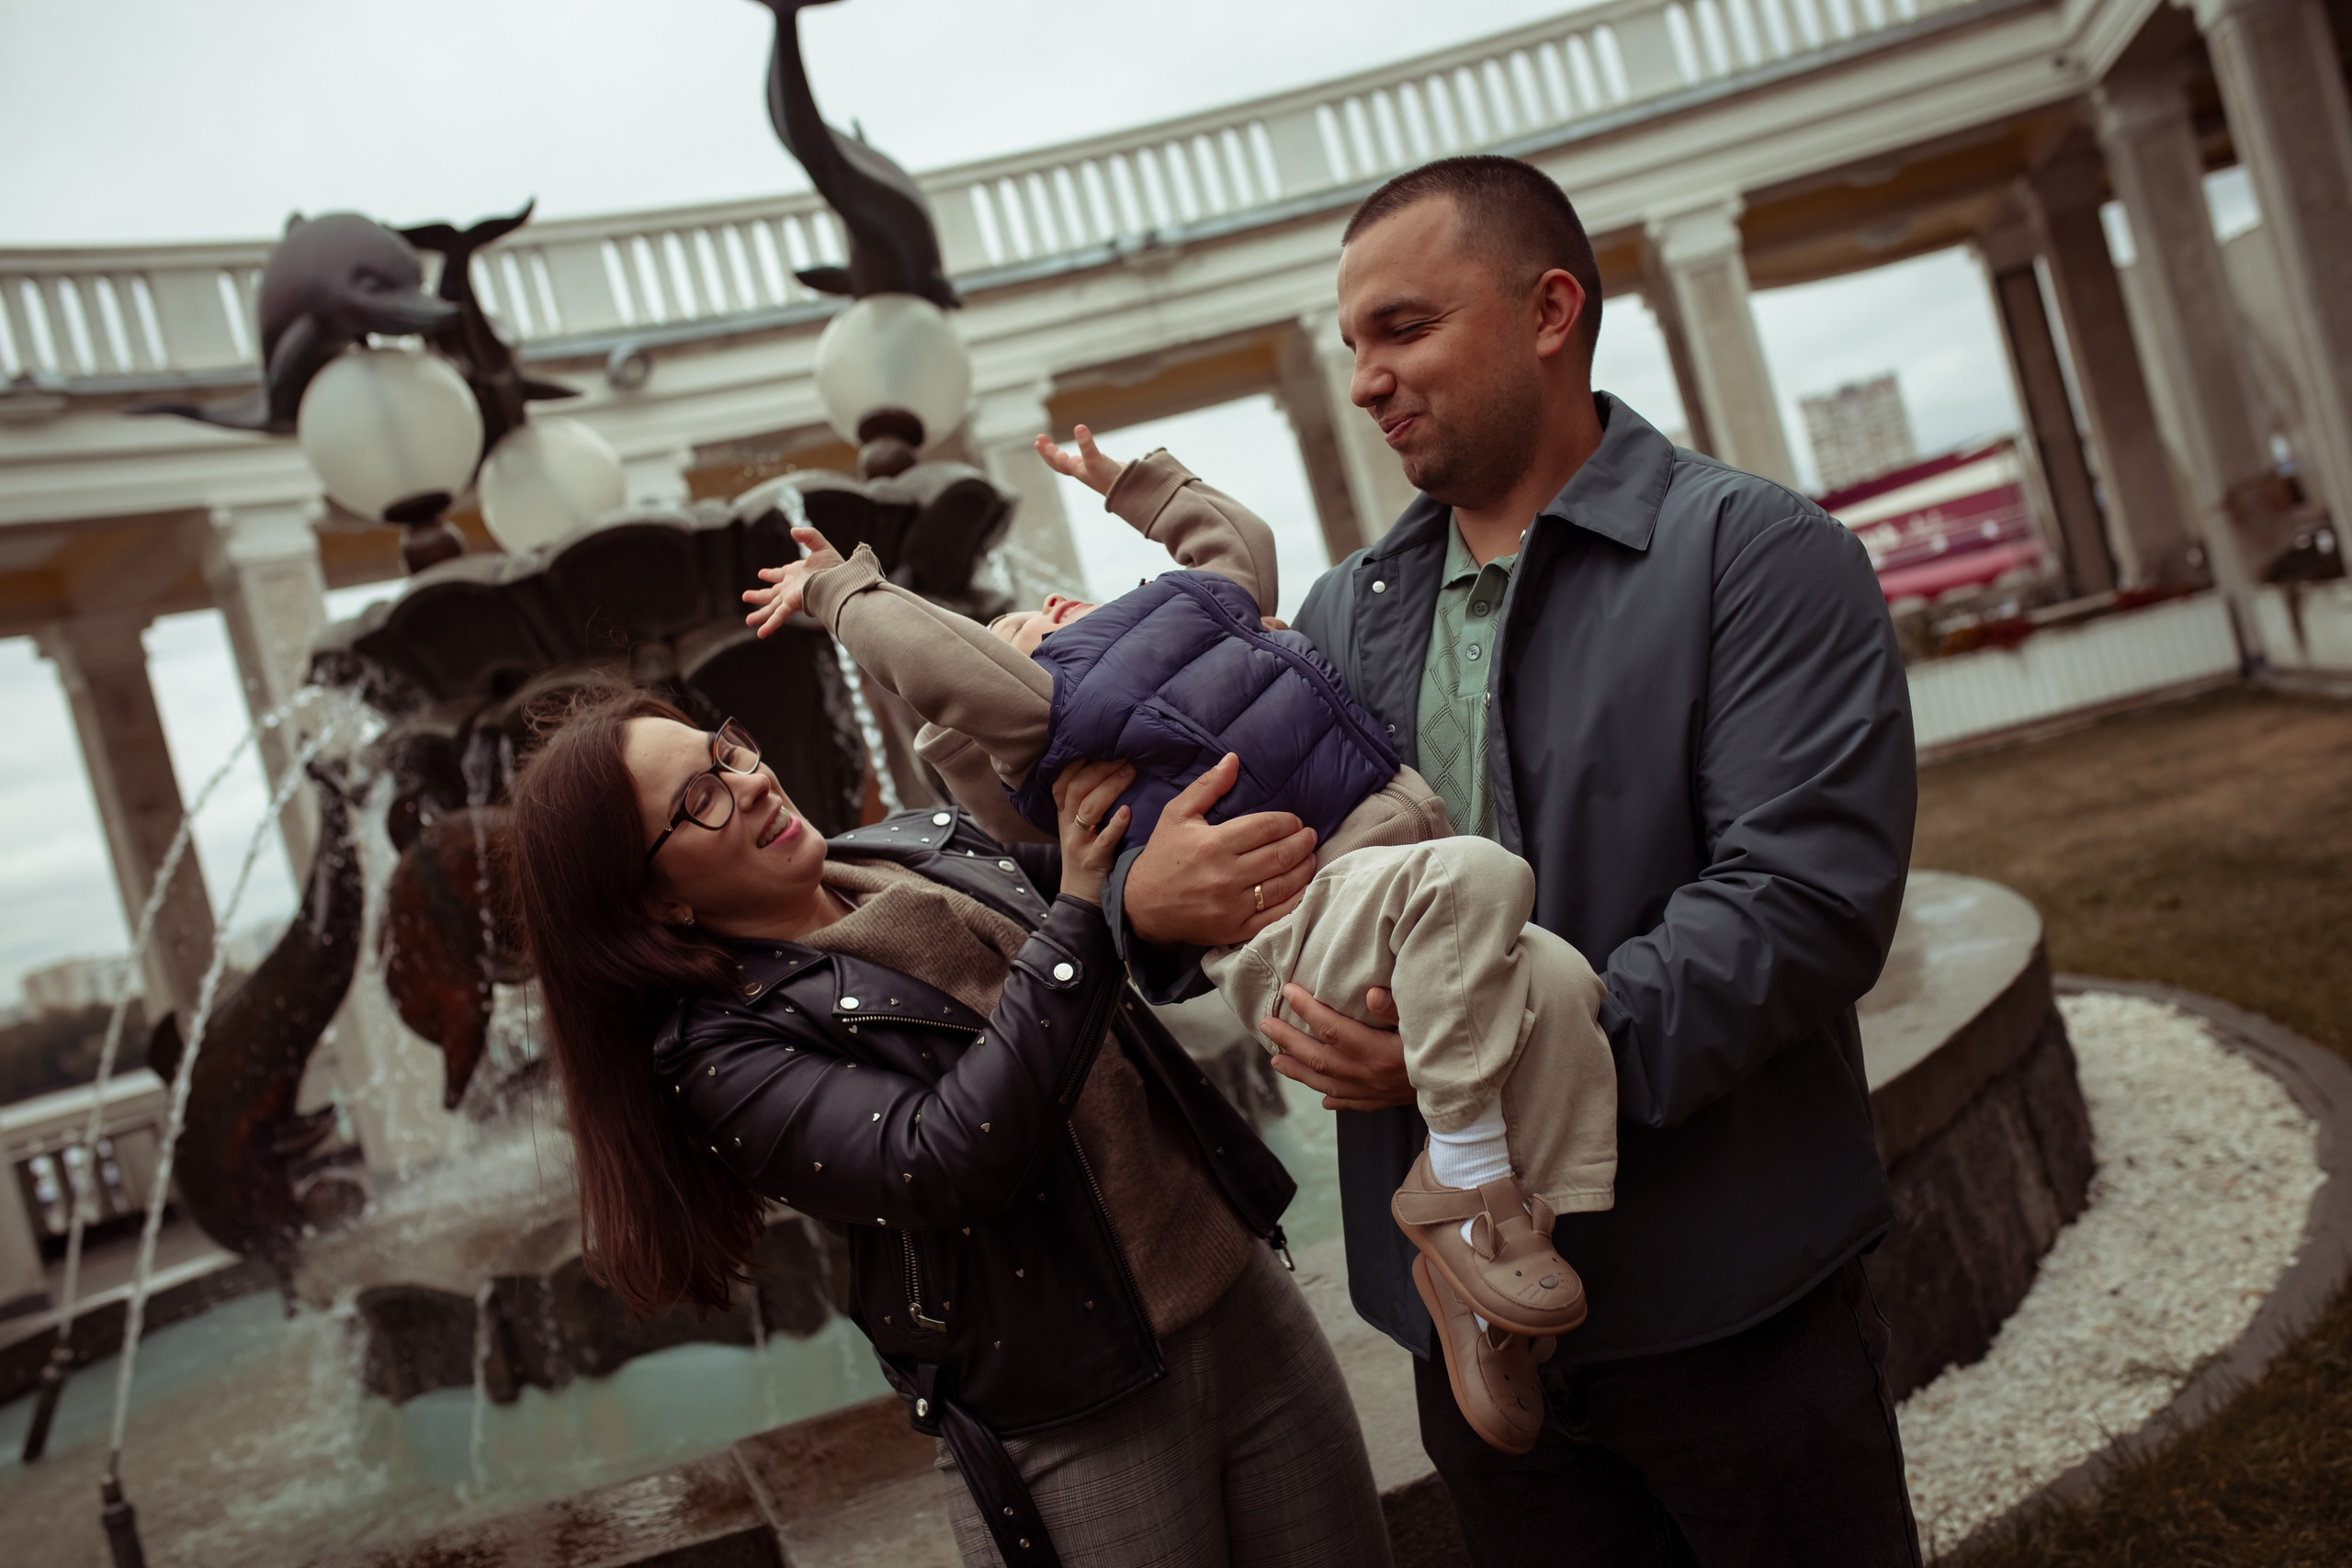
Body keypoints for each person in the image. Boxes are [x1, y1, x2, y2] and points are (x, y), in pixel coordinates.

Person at [1175, 155, 1922, 1564]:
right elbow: (1259, 888)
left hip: (1728, 1308)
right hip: (1459, 1334)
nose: (1365, 380)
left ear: (1551, 311)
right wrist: (1166, 904)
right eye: (1352, 345)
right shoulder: (1342, 616)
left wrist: (1473, 1057)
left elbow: (1803, 904)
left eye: (1403, 328)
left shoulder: (1762, 554)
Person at [745, 427, 1619, 1451]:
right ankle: (1460, 1181)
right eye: (1015, 633)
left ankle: (1488, 1271)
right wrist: (840, 591)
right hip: (1303, 931)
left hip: (1396, 897)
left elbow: (1237, 543)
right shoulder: (1060, 716)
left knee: (1563, 982)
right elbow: (946, 672)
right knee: (1481, 875)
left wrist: (1131, 483)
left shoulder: (1206, 616)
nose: (1045, 613)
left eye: (1045, 609)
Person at [504, 685, 1392, 1568]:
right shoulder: (719, 1054)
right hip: (1078, 1412)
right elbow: (943, 1156)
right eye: (701, 798)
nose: (753, 780)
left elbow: (1123, 905)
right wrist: (1088, 911)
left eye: (727, 751)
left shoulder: (912, 846)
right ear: (654, 901)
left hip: (1242, 1295)